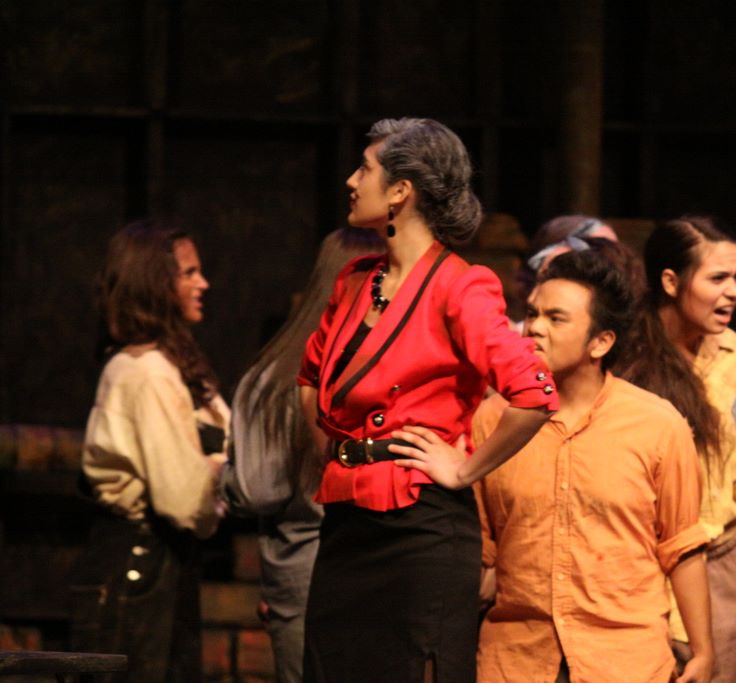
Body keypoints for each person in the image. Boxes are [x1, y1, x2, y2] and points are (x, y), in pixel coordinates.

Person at [298, 117, 558, 683]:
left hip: (420, 529)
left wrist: (464, 470)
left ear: (400, 191)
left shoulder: (460, 285)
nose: (351, 181)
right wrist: (337, 452)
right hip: (346, 524)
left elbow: (534, 394)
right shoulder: (354, 281)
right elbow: (309, 376)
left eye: (364, 168)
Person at [474, 249, 713, 683]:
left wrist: (703, 650)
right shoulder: (492, 422)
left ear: (600, 343)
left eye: (556, 319)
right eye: (533, 314)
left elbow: (682, 546)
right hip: (518, 660)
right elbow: (479, 548)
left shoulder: (657, 425)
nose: (535, 328)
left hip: (625, 662)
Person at [70, 219, 228, 682]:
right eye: (189, 272)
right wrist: (221, 476)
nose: (203, 283)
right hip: (137, 567)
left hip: (162, 565)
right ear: (155, 282)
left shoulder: (170, 363)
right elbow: (182, 496)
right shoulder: (145, 371)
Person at [219, 228, 380, 683]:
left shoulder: (273, 377)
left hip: (305, 573)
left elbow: (259, 488)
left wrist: (221, 476)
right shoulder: (385, 370)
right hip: (378, 567)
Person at [617, 216, 736, 683]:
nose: (733, 291)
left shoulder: (732, 352)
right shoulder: (626, 361)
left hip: (727, 574)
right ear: (671, 282)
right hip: (644, 575)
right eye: (718, 278)